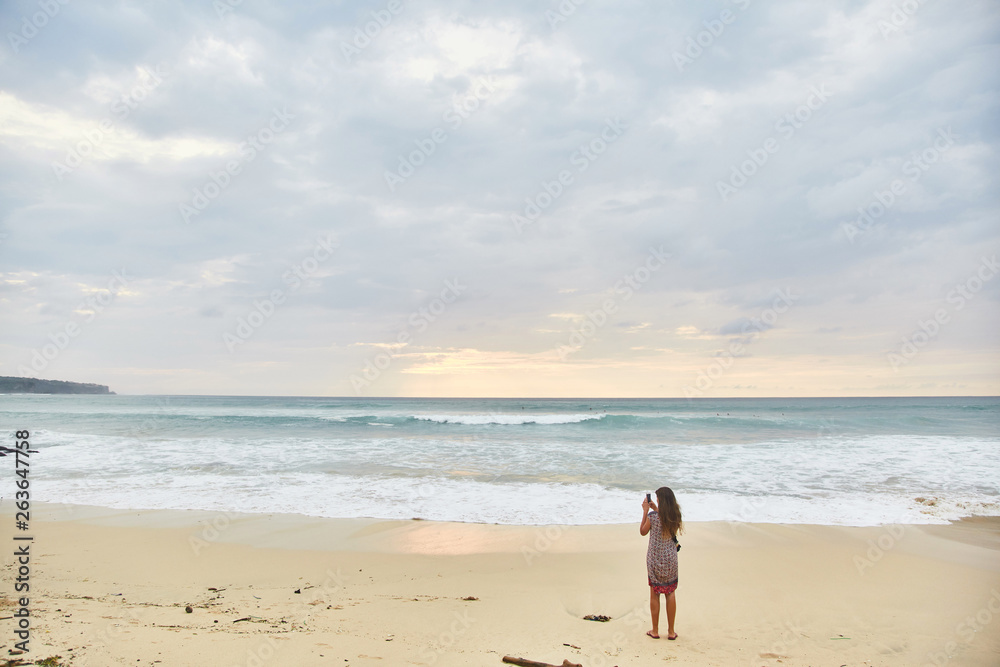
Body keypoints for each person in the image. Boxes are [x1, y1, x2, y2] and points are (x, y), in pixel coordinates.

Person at [640, 486, 682, 640]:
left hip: (655, 558)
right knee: (670, 593)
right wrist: (656, 509)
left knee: (655, 593)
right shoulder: (675, 516)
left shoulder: (653, 517)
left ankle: (655, 630)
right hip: (670, 558)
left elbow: (643, 531)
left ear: (660, 501)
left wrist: (645, 511)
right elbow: (666, 521)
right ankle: (671, 632)